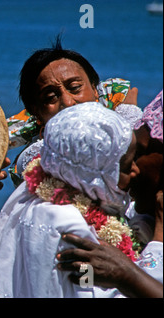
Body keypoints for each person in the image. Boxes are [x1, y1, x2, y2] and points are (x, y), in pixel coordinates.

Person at [0, 102, 141, 298]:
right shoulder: (74, 227)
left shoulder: (28, 196)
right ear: (94, 173)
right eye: (125, 166)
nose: (136, 171)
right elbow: (87, 287)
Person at [57, 90, 163, 298]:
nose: (134, 170)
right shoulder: (77, 224)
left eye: (138, 155)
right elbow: (84, 284)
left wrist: (128, 274)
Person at [6, 38, 143, 185]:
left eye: (75, 88)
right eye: (51, 96)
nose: (68, 102)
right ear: (36, 112)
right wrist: (129, 117)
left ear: (95, 90)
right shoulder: (33, 160)